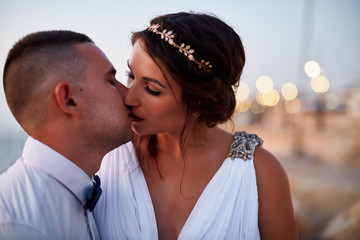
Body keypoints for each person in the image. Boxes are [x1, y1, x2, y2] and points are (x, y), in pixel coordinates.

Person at [94, 12, 298, 239]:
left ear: (199, 98)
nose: (129, 98)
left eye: (152, 89)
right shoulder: (105, 151)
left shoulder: (260, 173)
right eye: (131, 75)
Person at [0, 30, 133, 239]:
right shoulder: (20, 226)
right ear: (69, 99)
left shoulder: (84, 194)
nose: (128, 95)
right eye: (110, 81)